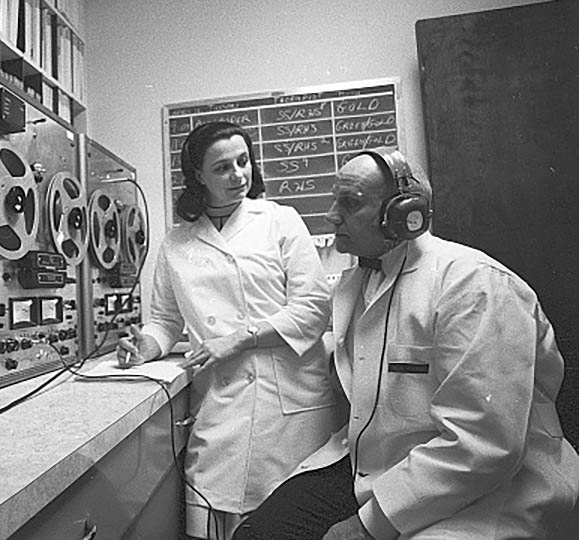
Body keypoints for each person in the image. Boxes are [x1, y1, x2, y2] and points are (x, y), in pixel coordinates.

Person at [233, 148, 579, 540]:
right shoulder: (358, 283)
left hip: (489, 486)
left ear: (402, 215)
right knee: (257, 533)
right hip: (382, 469)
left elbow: (484, 445)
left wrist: (365, 526)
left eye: (350, 203)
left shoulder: (473, 285)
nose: (331, 216)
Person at [116, 121, 341, 540]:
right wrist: (145, 346)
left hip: (289, 405)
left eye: (243, 161)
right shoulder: (177, 243)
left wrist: (240, 338)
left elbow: (313, 309)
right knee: (215, 521)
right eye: (222, 167)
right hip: (221, 407)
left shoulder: (279, 221)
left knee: (289, 524)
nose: (238, 174)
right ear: (198, 176)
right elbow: (165, 321)